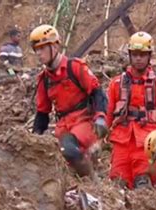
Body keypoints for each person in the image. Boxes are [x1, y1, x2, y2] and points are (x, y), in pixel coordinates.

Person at [29, 25, 108, 179]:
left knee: (68, 150)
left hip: (84, 123)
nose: (38, 53)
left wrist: (100, 118)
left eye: (42, 48)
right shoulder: (44, 80)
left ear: (55, 46)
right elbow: (42, 113)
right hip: (63, 128)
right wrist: (34, 139)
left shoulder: (75, 67)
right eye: (36, 49)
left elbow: (97, 92)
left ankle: (92, 181)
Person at [106, 31, 156, 190]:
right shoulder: (116, 83)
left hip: (148, 143)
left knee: (143, 183)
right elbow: (108, 114)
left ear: (149, 56)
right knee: (117, 185)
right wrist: (97, 138)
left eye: (143, 55)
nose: (138, 58)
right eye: (135, 54)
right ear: (130, 55)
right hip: (122, 141)